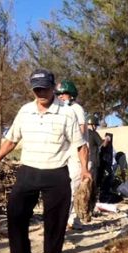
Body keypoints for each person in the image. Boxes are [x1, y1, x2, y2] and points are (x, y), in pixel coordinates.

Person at [0, 69, 90, 253]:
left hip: (56, 173)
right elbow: (11, 140)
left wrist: (85, 169)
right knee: (16, 215)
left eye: (45, 88)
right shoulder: (25, 111)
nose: (41, 93)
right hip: (28, 172)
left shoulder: (67, 113)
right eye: (37, 89)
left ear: (53, 88)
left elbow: (80, 145)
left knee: (55, 224)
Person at [55, 80, 88, 230]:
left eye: (64, 93)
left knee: (73, 188)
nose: (61, 96)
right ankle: (70, 220)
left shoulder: (76, 108)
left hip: (77, 154)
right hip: (66, 153)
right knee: (65, 187)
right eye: (59, 94)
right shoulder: (61, 110)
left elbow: (81, 130)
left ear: (71, 95)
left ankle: (70, 220)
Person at [87, 113, 103, 185]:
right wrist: (107, 139)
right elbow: (102, 144)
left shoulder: (83, 133)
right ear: (93, 125)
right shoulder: (94, 133)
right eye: (96, 125)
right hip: (93, 161)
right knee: (93, 182)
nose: (96, 127)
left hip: (85, 161)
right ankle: (92, 195)